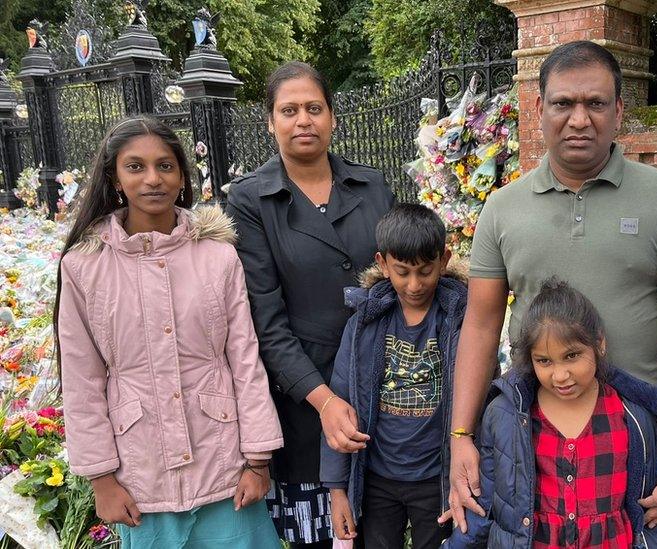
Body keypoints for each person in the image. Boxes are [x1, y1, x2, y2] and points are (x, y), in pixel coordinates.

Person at [446, 40, 657, 532]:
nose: (579, 119)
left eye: (595, 103)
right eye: (563, 104)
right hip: (535, 438)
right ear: (539, 109)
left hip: (637, 433)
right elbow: (481, 326)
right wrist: (461, 435)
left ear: (618, 111)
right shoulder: (503, 208)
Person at [56, 116, 283, 548]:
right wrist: (101, 479)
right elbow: (82, 379)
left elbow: (244, 358)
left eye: (165, 166)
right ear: (114, 179)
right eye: (135, 167)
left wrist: (257, 459)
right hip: (141, 473)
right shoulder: (85, 267)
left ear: (182, 175)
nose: (152, 179)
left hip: (224, 465)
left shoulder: (217, 257)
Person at [225, 61, 395, 548]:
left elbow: (401, 278)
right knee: (322, 539)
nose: (304, 120)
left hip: (384, 386)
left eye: (314, 108)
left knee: (382, 528)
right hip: (304, 399)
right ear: (270, 121)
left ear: (332, 117)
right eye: (290, 110)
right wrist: (322, 400)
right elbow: (265, 320)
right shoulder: (251, 200)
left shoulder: (371, 187)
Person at [445, 278, 657, 548]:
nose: (561, 375)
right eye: (544, 361)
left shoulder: (634, 418)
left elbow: (650, 514)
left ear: (599, 344)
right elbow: (482, 504)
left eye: (572, 356)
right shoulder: (506, 416)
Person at [321, 204, 467, 548]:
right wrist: (338, 489)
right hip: (378, 479)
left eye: (425, 271)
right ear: (383, 263)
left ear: (444, 260)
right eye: (402, 272)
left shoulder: (460, 321)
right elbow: (340, 403)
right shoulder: (364, 325)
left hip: (438, 481)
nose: (414, 284)